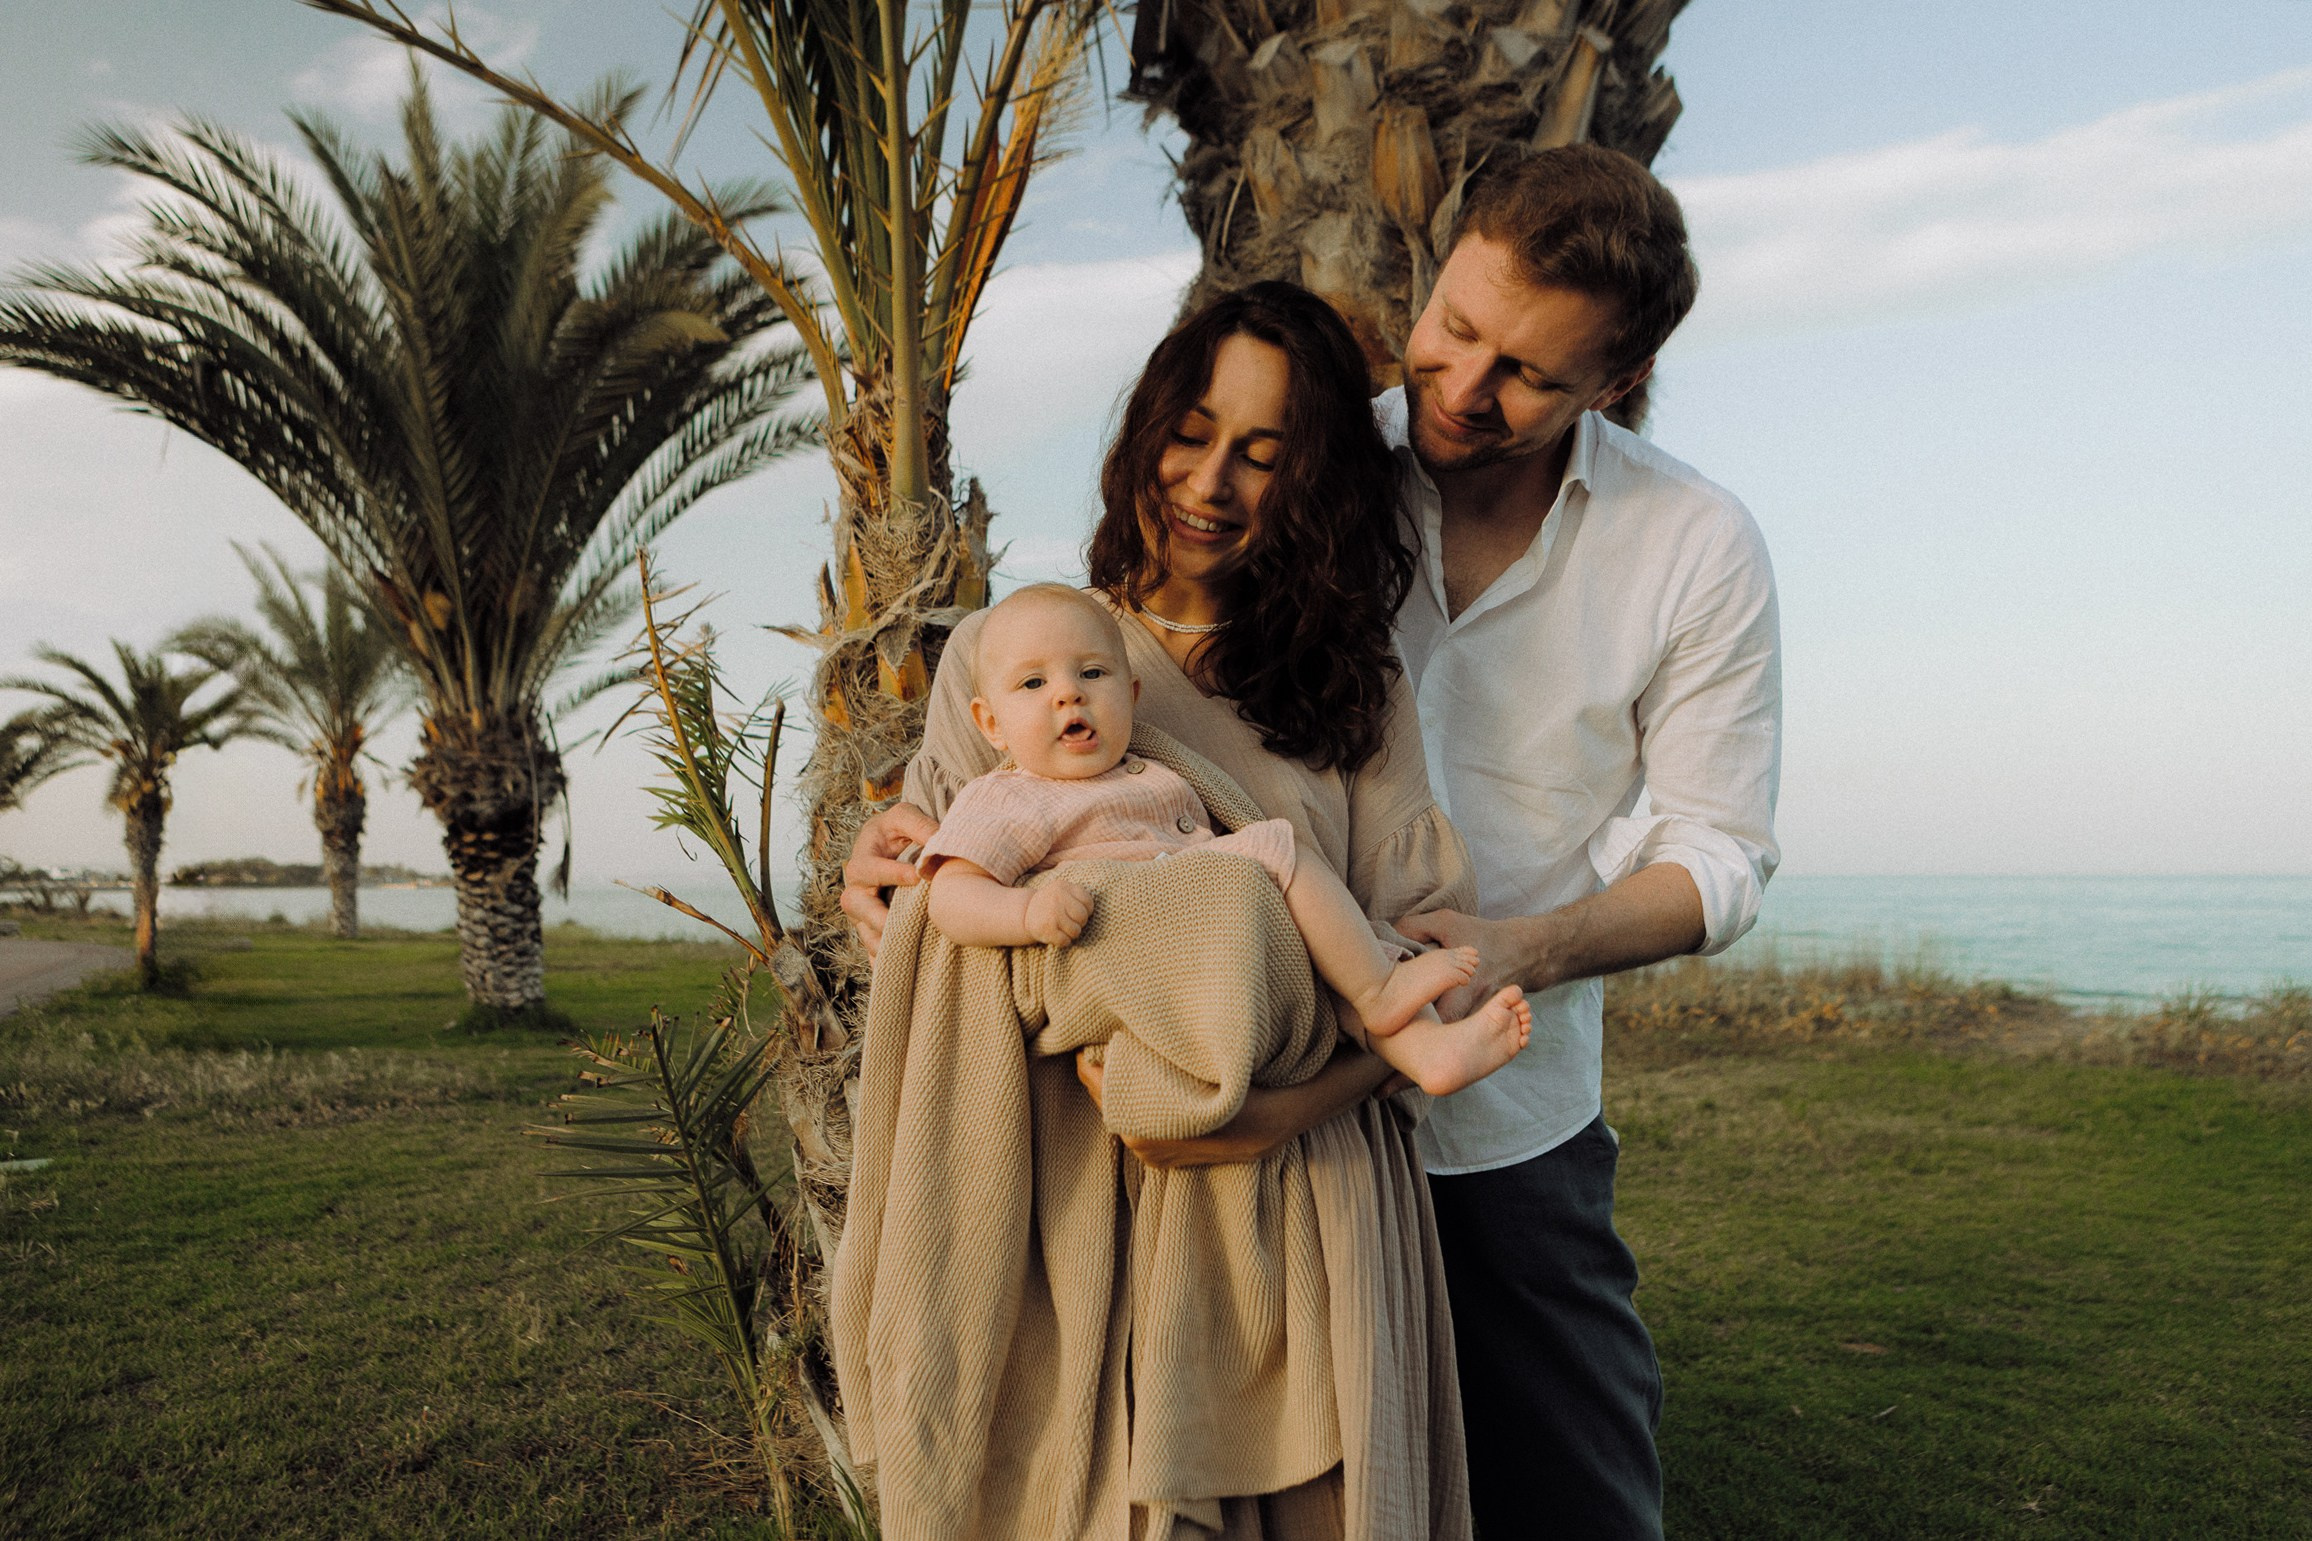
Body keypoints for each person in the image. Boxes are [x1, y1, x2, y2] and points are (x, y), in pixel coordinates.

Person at [850, 145, 1782, 1541]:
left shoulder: (1690, 544)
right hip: (1165, 1171)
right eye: (1457, 331)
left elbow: (1718, 854)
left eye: (1529, 373)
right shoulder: (1320, 459)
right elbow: (1014, 776)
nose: (1465, 391)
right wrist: (910, 874)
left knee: (1580, 1501)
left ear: (1618, 374)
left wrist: (1513, 952)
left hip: (1488, 1116)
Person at [837, 281, 1480, 1540]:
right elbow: (935, 917)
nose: (1210, 481)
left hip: (1295, 1198)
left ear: (1318, 483)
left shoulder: (1352, 682)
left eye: (1263, 451)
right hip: (1071, 1203)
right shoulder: (1008, 651)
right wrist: (884, 883)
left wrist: (1280, 1109)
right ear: (1143, 426)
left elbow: (1421, 950)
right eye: (1190, 429)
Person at [920, 582, 1532, 1097]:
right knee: (1276, 850)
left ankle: (1418, 1042)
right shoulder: (1006, 795)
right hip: (1140, 932)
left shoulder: (1153, 770)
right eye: (1033, 685)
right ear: (990, 724)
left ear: (1132, 696)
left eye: (1093, 672)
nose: (1068, 692)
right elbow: (950, 895)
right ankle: (1378, 990)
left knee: (1304, 903)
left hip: (1211, 911)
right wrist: (1024, 911)